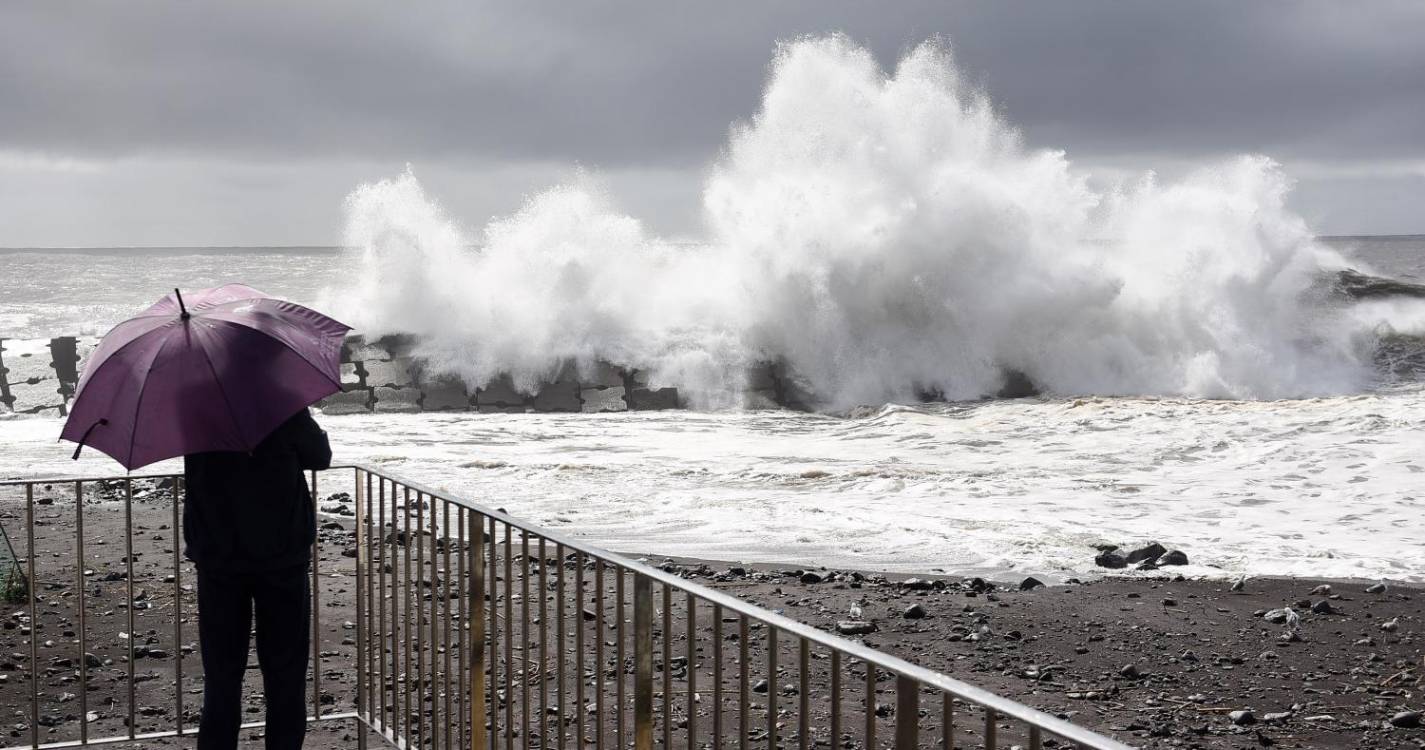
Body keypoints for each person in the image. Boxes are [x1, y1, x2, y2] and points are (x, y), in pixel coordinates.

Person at [182, 408, 332, 750]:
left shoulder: (193, 404)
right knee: (285, 676)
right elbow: (319, 457)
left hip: (218, 557)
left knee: (221, 677)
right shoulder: (280, 401)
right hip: (281, 558)